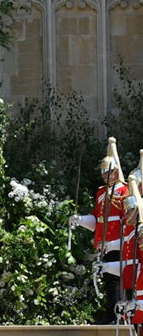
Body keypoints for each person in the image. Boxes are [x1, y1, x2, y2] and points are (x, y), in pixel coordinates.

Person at [70, 137, 127, 324]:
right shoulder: (101, 192)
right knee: (108, 279)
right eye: (103, 172)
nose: (104, 176)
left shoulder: (124, 191)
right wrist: (80, 220)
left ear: (115, 172)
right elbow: (97, 220)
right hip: (103, 242)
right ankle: (111, 313)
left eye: (107, 172)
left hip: (118, 241)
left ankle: (117, 315)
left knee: (117, 279)